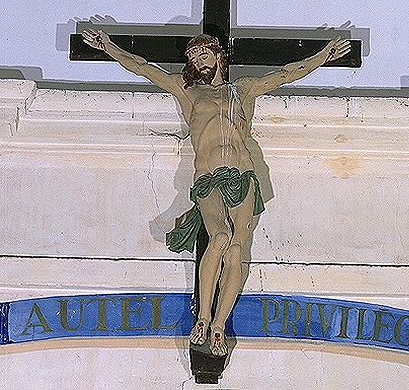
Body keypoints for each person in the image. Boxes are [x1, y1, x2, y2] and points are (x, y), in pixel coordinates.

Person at [82, 29, 351, 356]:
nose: (198, 61)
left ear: (219, 55)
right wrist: (108, 46)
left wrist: (324, 55)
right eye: (193, 58)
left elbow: (286, 74)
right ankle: (203, 316)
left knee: (236, 249)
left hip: (243, 175)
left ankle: (220, 324)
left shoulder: (242, 89)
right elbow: (143, 67)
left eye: (203, 54)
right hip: (208, 178)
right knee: (220, 237)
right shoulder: (188, 92)